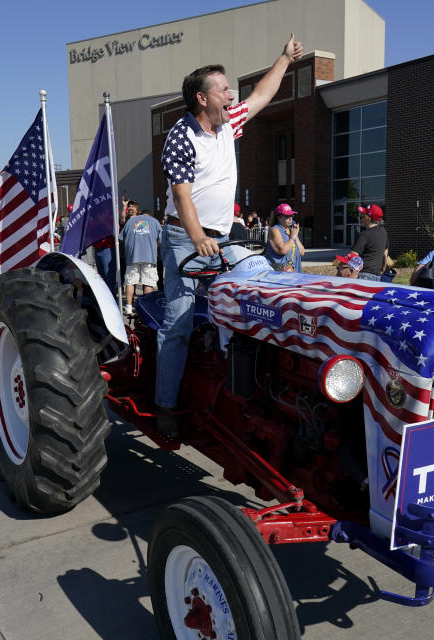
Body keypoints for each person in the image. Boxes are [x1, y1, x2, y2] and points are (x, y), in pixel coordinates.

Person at [155, 33, 304, 437]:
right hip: (186, 237)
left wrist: (285, 58)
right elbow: (181, 195)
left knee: (263, 283)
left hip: (225, 235)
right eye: (222, 89)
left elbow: (262, 95)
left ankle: (251, 383)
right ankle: (166, 407)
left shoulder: (228, 124)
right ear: (202, 99)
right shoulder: (181, 137)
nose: (231, 93)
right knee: (178, 322)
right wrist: (198, 236)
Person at [120, 209, 162, 315]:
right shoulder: (154, 222)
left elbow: (121, 238)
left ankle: (128, 307)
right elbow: (160, 241)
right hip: (149, 257)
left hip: (132, 257)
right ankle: (146, 307)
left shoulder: (130, 221)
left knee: (130, 282)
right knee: (148, 282)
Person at [350, 203, 388, 281]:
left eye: (363, 215)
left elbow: (353, 255)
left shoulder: (364, 235)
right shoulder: (383, 232)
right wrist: (383, 269)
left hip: (363, 275)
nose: (361, 218)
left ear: (368, 218)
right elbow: (385, 254)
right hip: (377, 275)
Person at [265, 203, 304, 271]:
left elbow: (302, 252)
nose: (290, 218)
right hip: (279, 274)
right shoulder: (275, 230)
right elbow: (283, 250)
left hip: (294, 273)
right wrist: (293, 236)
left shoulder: (291, 231)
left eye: (291, 215)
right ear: (279, 217)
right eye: (287, 216)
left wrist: (295, 235)